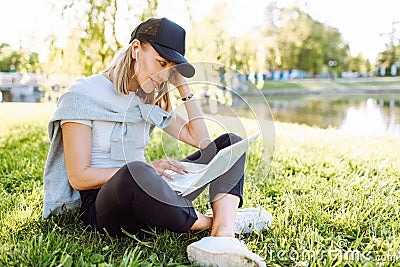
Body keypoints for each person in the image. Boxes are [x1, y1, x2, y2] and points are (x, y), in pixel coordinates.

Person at [42, 17, 271, 266]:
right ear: (136, 49)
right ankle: (212, 220)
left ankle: (222, 235)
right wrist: (149, 170)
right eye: (160, 63)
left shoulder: (148, 100)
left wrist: (183, 86)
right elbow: (79, 177)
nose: (164, 76)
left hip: (152, 192)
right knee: (136, 170)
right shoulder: (83, 94)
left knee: (230, 143)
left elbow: (203, 142)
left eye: (170, 69)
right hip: (104, 206)